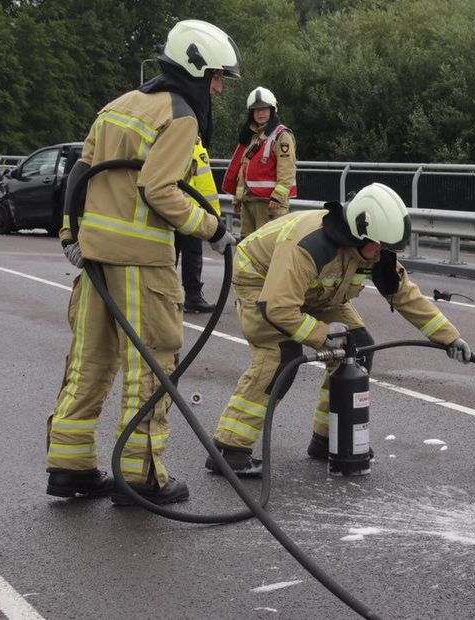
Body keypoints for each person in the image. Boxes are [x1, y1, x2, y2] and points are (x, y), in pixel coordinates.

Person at [45, 19, 240, 505]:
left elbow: (81, 174)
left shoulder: (117, 107)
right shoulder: (179, 115)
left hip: (94, 261)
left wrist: (71, 234)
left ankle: (69, 466)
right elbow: (160, 190)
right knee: (150, 366)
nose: (218, 87)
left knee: (89, 364)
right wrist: (213, 230)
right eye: (216, 76)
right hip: (141, 264)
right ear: (195, 69)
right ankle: (142, 477)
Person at [205, 183, 472, 476]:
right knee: (279, 357)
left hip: (315, 293)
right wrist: (321, 334)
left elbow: (406, 296)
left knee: (357, 348)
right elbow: (278, 307)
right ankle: (229, 449)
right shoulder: (311, 246)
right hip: (262, 282)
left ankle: (330, 438)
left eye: (387, 248)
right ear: (358, 233)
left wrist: (450, 337)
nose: (381, 254)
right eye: (378, 246)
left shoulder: (371, 251)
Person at [221, 86, 297, 237]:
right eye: (256, 110)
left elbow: (287, 169)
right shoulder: (252, 136)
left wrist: (278, 196)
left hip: (270, 204)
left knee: (265, 250)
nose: (260, 113)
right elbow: (244, 169)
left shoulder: (281, 135)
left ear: (272, 110)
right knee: (246, 247)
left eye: (264, 109)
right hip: (249, 202)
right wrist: (238, 197)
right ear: (251, 113)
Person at [175, 138, 222, 313]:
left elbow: (206, 184)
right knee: (167, 257)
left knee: (193, 255)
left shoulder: (197, 146)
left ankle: (193, 296)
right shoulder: (174, 138)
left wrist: (214, 215)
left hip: (192, 213)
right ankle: (163, 298)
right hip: (171, 210)